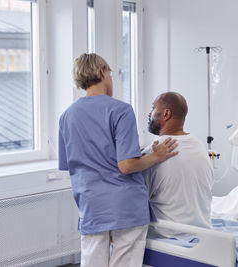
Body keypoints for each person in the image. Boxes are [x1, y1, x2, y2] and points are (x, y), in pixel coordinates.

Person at [58, 53, 178, 267]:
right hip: (125, 208)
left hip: (92, 207)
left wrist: (128, 151)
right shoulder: (120, 110)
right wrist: (155, 156)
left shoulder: (67, 116)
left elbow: (77, 162)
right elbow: (127, 165)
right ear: (103, 72)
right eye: (111, 75)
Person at [142, 92, 214, 236]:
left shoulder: (154, 151)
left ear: (166, 114)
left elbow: (136, 201)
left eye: (153, 108)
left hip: (167, 236)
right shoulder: (199, 147)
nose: (149, 113)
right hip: (203, 235)